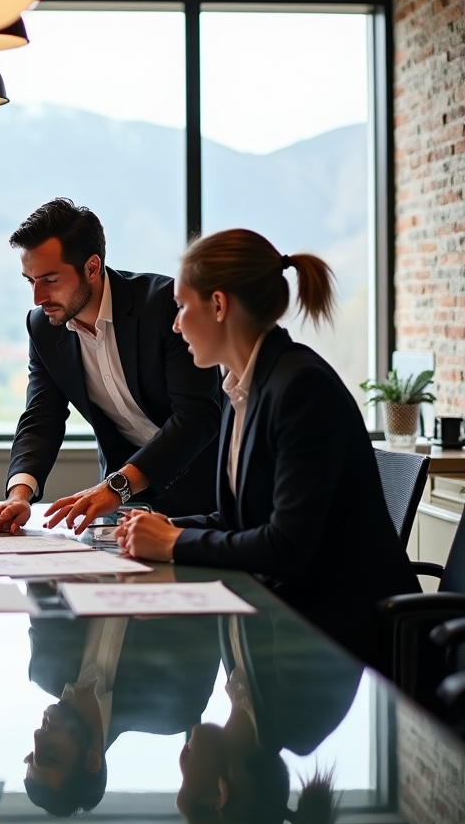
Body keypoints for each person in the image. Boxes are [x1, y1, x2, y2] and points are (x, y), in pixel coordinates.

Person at [115, 227, 422, 666]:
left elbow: (287, 547)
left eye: (182, 306)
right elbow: (242, 518)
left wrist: (174, 542)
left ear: (218, 305)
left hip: (339, 642)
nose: (176, 322)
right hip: (288, 618)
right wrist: (159, 525)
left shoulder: (301, 388)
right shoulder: (246, 388)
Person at [0, 198, 220, 537]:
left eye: (49, 279)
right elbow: (41, 418)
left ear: (92, 268)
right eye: (29, 280)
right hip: (129, 501)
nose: (37, 297)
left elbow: (197, 416)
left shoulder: (164, 305)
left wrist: (114, 487)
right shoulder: (43, 327)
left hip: (214, 490)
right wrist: (21, 496)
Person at [176, 606, 362, 824]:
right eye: (185, 783)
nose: (181, 764)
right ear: (219, 794)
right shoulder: (300, 723)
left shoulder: (235, 675)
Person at [24, 610, 220, 817]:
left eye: (31, 755)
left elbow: (44, 591)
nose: (37, 737)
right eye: (50, 753)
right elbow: (208, 612)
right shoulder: (177, 709)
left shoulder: (44, 669)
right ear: (92, 761)